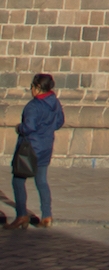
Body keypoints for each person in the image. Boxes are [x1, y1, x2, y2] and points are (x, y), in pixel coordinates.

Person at [6, 74, 65, 231]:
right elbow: (59, 122)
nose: (31, 89)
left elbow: (29, 127)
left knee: (18, 180)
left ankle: (21, 215)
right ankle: (46, 215)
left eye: (32, 86)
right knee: (41, 181)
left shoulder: (33, 106)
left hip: (30, 149)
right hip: (46, 146)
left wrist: (20, 128)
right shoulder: (55, 102)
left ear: (38, 88)